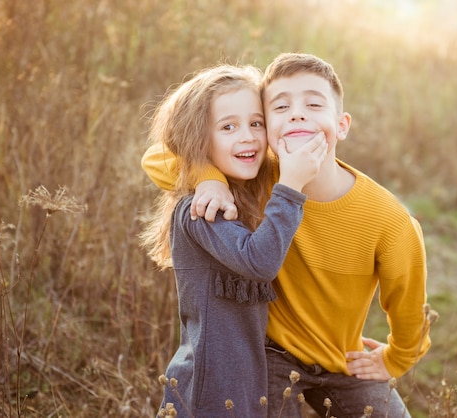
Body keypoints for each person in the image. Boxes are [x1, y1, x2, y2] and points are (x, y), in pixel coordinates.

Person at [142, 53, 431, 418]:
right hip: (271, 353)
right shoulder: (259, 175)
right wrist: (208, 179)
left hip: (340, 357)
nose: (297, 114)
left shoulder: (388, 220)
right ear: (269, 132)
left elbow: (410, 308)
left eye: (313, 103)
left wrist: (395, 358)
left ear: (341, 125)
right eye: (280, 107)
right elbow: (157, 157)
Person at [140, 63, 328, 417]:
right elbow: (260, 262)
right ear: (198, 140)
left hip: (252, 386)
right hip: (208, 390)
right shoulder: (202, 209)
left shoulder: (249, 190)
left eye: (256, 123)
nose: (248, 137)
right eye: (228, 127)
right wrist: (288, 188)